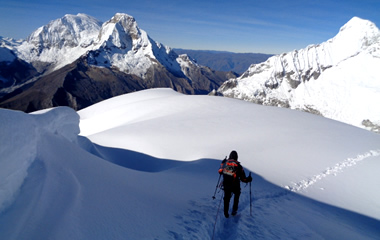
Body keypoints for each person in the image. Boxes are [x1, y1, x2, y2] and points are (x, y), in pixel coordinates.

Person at [218, 150, 252, 218]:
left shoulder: (225, 163)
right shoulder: (239, 166)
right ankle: (234, 210)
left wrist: (222, 163)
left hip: (226, 184)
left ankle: (226, 213)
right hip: (235, 185)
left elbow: (220, 172)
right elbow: (243, 179)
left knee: (226, 198)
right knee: (237, 195)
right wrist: (249, 179)